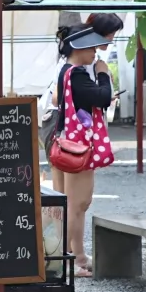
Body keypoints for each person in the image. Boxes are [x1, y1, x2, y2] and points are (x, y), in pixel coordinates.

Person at [49, 26, 117, 276]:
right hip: (77, 146)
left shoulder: (65, 71)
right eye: (91, 47)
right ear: (78, 48)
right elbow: (103, 97)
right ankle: (65, 260)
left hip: (66, 141)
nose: (95, 52)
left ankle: (75, 256)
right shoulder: (77, 74)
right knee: (77, 203)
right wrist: (103, 74)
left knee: (72, 203)